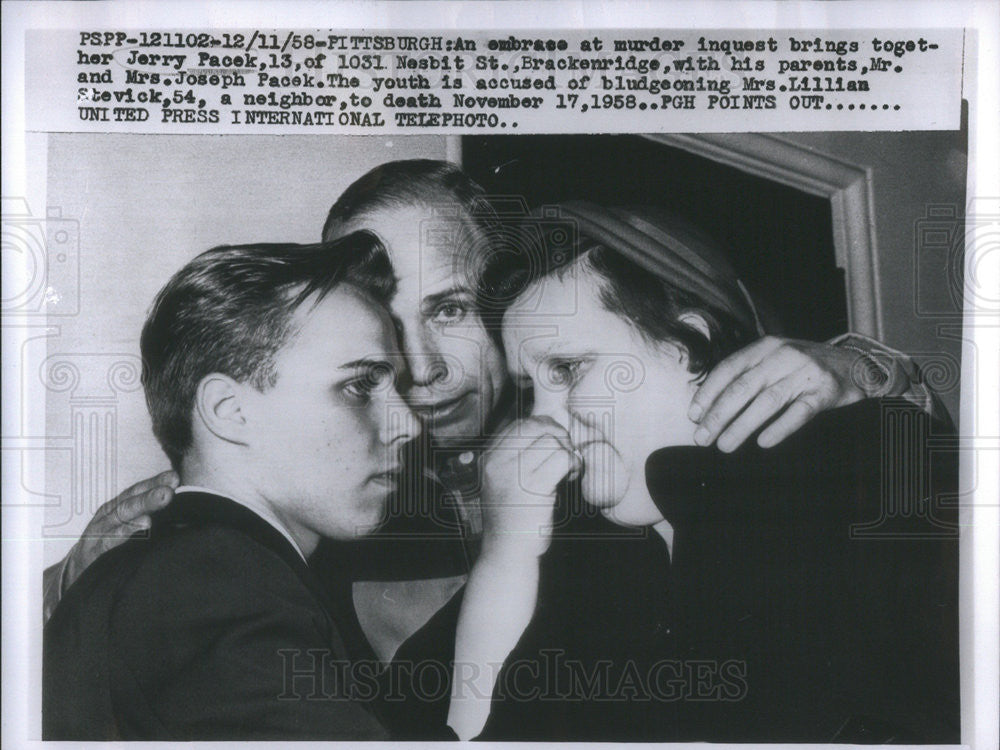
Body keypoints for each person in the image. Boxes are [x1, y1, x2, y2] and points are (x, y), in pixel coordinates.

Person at [44, 161, 948, 671]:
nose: (420, 368)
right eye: (381, 329)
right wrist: (70, 583)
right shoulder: (299, 489)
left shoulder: (612, 456)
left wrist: (871, 368)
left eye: (446, 309)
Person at [446, 202, 959, 742]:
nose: (540, 422)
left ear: (687, 346)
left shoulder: (853, 474)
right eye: (530, 391)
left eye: (569, 369)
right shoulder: (577, 561)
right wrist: (505, 553)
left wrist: (876, 375)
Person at [44, 234, 435, 739]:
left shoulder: (194, 571)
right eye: (360, 386)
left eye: (396, 387)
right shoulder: (218, 586)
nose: (409, 424)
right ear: (230, 412)